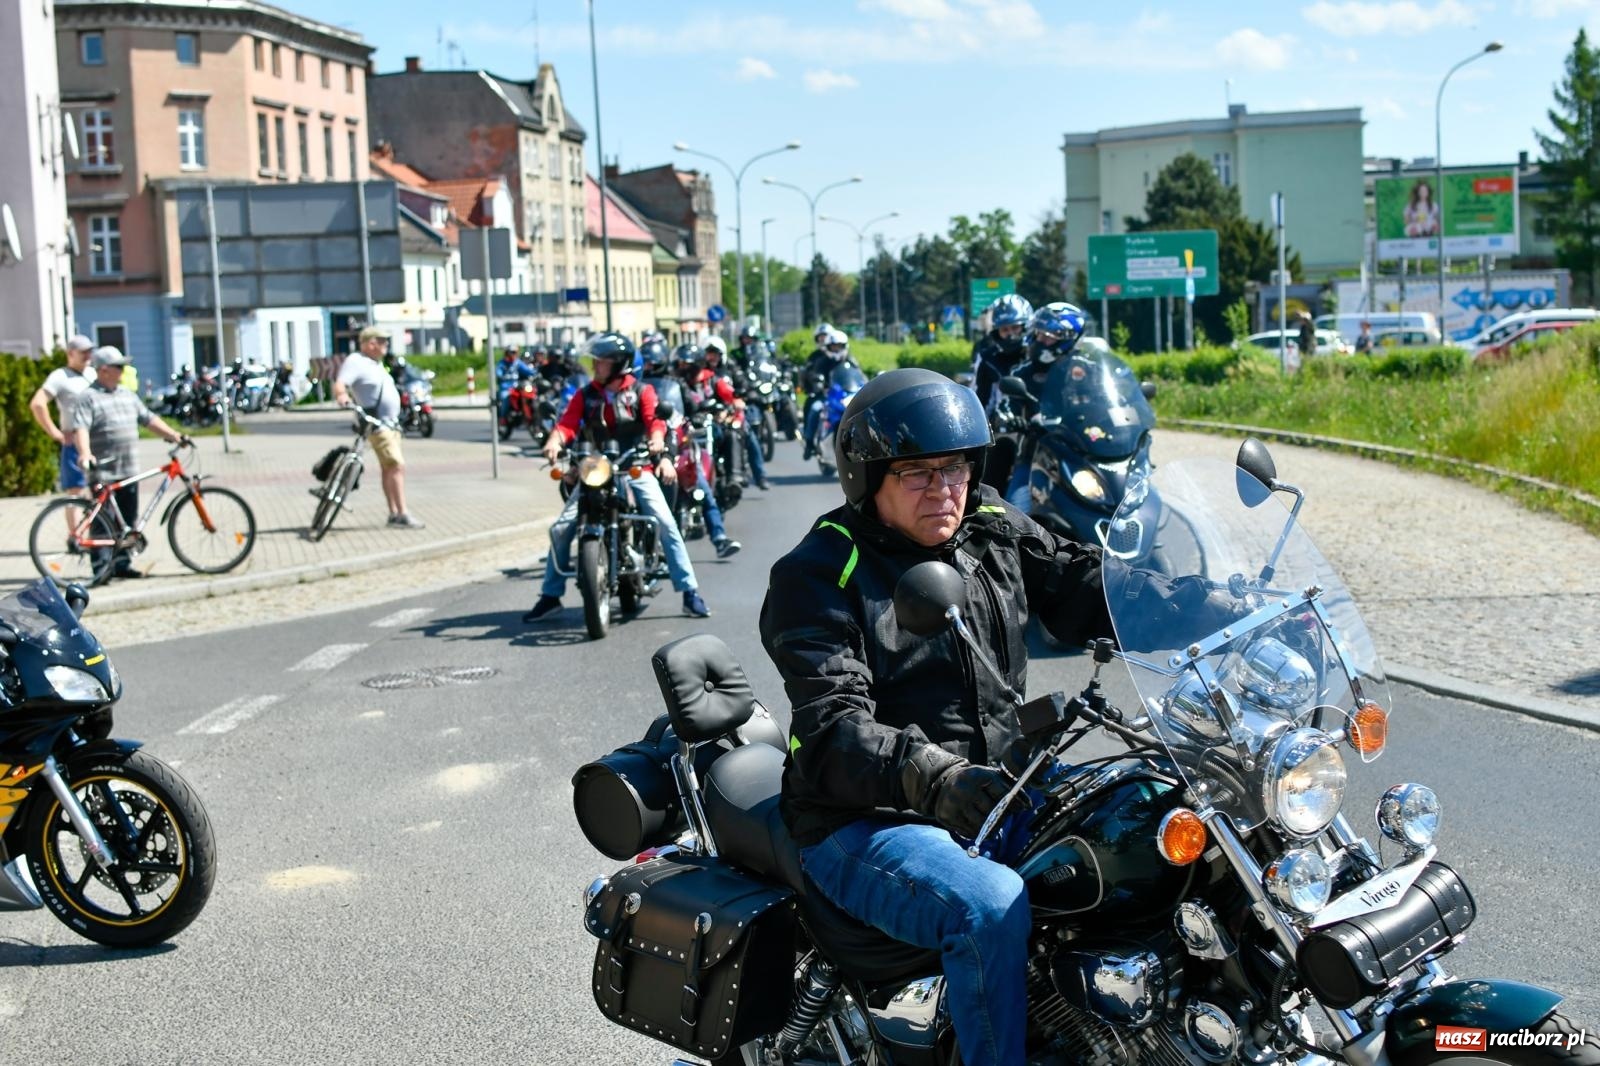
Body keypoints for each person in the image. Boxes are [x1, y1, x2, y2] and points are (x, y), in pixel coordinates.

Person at [759, 368, 1118, 1066]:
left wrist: (1202, 602)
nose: (944, 489)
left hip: (996, 789)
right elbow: (834, 726)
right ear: (869, 478)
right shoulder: (820, 572)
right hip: (863, 819)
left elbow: (1081, 584)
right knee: (987, 906)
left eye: (955, 468)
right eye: (917, 473)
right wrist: (934, 775)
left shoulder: (989, 526)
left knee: (1145, 826)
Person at [526, 332, 712, 622]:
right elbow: (567, 424)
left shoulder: (641, 391)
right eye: (595, 360)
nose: (595, 366)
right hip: (597, 470)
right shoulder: (586, 394)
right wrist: (554, 441)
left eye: (601, 361)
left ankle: (690, 593)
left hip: (635, 467)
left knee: (664, 522)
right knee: (561, 528)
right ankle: (550, 596)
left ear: (618, 364)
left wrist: (657, 442)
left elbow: (654, 421)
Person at [71, 347, 191, 581]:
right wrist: (85, 453)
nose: (123, 370)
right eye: (119, 366)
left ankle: (122, 564)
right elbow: (80, 428)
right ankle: (101, 569)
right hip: (103, 471)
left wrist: (174, 435)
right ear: (103, 370)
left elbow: (148, 419)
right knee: (103, 522)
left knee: (127, 520)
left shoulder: (127, 395)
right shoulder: (88, 397)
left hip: (128, 469)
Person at [640, 340, 740, 560]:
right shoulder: (636, 388)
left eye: (652, 363)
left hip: (677, 445)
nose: (648, 367)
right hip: (645, 451)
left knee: (702, 488)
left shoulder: (673, 384)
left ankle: (719, 538)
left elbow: (690, 407)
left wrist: (695, 416)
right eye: (645, 363)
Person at [333, 326, 424, 529]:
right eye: (382, 341)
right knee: (396, 466)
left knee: (389, 468)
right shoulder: (356, 361)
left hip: (390, 425)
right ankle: (402, 513)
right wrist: (342, 396)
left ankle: (393, 512)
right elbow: (340, 384)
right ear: (370, 343)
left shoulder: (375, 363)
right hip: (377, 425)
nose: (386, 344)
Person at [1004, 302, 1087, 512]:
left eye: (1046, 336)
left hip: (1082, 456)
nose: (1038, 341)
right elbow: (1006, 406)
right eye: (1037, 334)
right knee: (1015, 514)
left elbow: (1110, 400)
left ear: (1067, 338)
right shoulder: (1023, 373)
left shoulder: (1088, 371)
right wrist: (1012, 419)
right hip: (1035, 457)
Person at [29, 335, 95, 526]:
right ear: (70, 354)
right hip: (74, 443)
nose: (87, 355)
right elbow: (38, 404)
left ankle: (97, 534)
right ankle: (75, 536)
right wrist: (55, 433)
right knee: (75, 493)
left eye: (89, 351)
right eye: (83, 352)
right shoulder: (60, 376)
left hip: (97, 441)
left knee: (99, 492)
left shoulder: (93, 373)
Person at [703, 334, 770, 491]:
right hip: (707, 415)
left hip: (731, 413)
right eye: (709, 353)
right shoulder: (699, 372)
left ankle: (760, 476)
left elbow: (742, 386)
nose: (712, 357)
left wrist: (742, 397)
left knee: (749, 436)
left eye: (715, 353)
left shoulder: (730, 369)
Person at [969, 294, 1034, 413]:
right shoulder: (988, 359)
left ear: (1026, 326)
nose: (1010, 334)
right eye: (1005, 330)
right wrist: (997, 419)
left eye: (1015, 327)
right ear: (997, 332)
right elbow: (979, 403)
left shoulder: (1038, 355)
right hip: (1005, 420)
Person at [800, 328, 857, 460]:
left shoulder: (850, 360)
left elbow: (858, 375)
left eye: (839, 346)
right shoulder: (822, 361)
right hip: (826, 395)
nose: (836, 349)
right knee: (815, 409)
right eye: (833, 346)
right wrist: (819, 385)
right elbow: (814, 375)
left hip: (845, 395)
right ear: (828, 347)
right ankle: (809, 442)